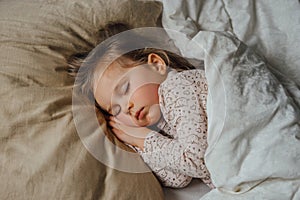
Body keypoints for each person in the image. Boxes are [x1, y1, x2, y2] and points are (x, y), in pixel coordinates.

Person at [68, 22, 214, 189]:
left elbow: (199, 161)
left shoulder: (177, 86)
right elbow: (179, 178)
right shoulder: (160, 123)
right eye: (116, 110)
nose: (126, 107)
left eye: (125, 88)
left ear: (156, 65)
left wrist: (144, 140)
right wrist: (136, 142)